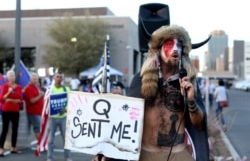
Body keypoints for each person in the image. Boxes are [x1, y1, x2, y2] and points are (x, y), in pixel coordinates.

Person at [93, 25, 209, 161]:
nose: (176, 49)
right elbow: (125, 120)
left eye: (179, 45)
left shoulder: (189, 82)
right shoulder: (141, 80)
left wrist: (191, 101)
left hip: (177, 154)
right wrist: (108, 152)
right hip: (145, 154)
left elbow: (199, 124)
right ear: (158, 50)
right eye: (170, 44)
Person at [46, 72, 72, 161]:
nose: (59, 78)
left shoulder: (66, 89)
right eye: (57, 77)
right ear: (54, 78)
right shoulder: (50, 89)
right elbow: (46, 102)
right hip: (52, 118)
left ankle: (67, 157)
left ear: (62, 79)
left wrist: (65, 109)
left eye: (60, 77)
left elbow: (71, 101)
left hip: (63, 117)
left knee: (66, 139)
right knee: (50, 139)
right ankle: (50, 157)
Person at [0, 70, 23, 156]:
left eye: (13, 75)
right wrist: (9, 92)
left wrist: (9, 99)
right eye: (10, 76)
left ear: (15, 77)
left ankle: (13, 147)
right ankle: (1, 148)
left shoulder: (18, 87)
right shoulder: (6, 86)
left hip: (15, 111)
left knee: (15, 129)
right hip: (6, 110)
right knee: (5, 129)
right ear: (7, 77)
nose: (11, 77)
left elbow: (20, 100)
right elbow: (2, 99)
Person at [23, 72, 44, 140]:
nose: (36, 81)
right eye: (34, 79)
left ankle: (42, 143)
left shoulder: (36, 87)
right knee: (37, 128)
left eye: (36, 79)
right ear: (30, 80)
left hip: (39, 111)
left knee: (40, 128)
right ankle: (40, 143)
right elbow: (32, 101)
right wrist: (40, 95)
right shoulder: (29, 88)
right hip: (34, 112)